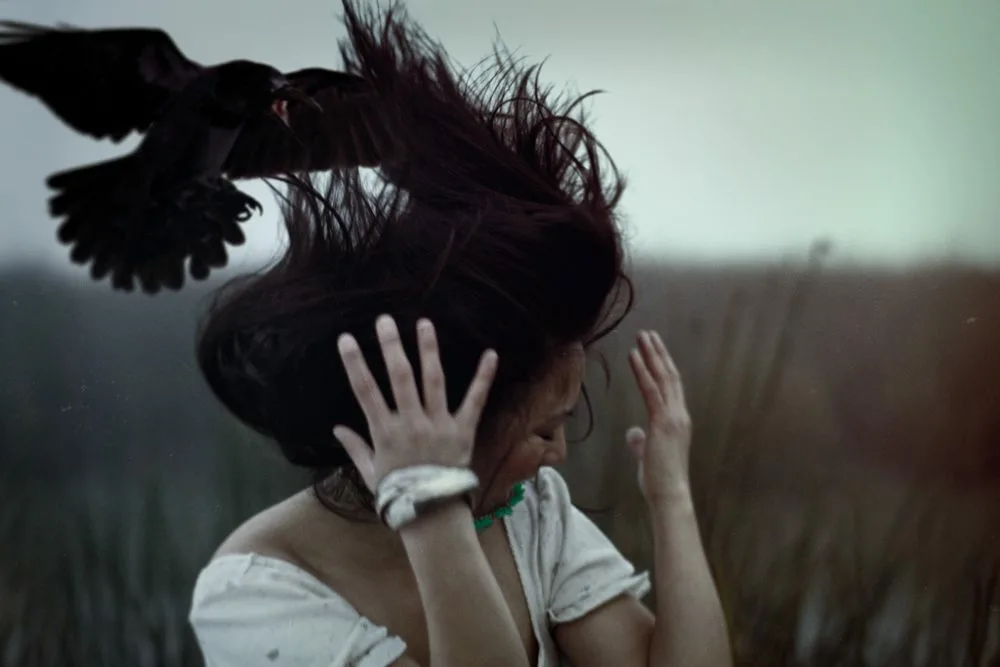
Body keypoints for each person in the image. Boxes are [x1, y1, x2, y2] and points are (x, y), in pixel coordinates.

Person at [187, 2, 731, 666]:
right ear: (450, 413)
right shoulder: (256, 589)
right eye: (544, 429)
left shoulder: (532, 515)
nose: (558, 455)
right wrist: (432, 513)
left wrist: (671, 497)